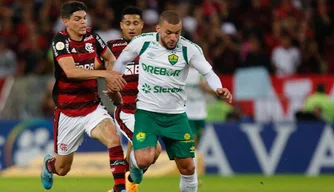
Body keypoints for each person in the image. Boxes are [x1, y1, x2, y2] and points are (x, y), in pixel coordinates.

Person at [113, 10, 233, 192]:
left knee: (188, 167)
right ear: (158, 28)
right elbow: (122, 61)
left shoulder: (189, 49)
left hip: (176, 116)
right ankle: (135, 167)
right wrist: (115, 80)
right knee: (145, 158)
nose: (173, 37)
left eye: (177, 32)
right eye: (168, 32)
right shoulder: (142, 42)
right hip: (147, 113)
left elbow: (208, 73)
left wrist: (218, 87)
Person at [40, 2, 128, 192]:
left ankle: (120, 188)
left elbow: (110, 58)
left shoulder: (93, 37)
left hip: (92, 107)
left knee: (113, 137)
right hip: (68, 112)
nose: (83, 22)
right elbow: (71, 72)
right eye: (77, 19)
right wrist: (106, 75)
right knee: (62, 169)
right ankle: (49, 165)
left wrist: (112, 77)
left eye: (84, 18)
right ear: (66, 21)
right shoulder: (60, 41)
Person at [105, 6, 161, 192]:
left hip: (148, 113)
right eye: (127, 23)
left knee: (141, 154)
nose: (131, 27)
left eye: (135, 23)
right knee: (153, 151)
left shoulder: (152, 47)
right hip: (127, 111)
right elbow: (96, 67)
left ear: (142, 25)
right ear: (121, 25)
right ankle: (128, 182)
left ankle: (122, 187)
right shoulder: (112, 47)